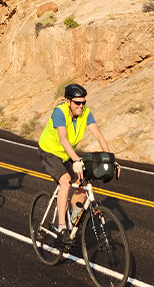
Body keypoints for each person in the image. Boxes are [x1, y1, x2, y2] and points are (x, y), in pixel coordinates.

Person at [38, 82, 112, 245]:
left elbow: (98, 135)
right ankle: (61, 227)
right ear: (68, 101)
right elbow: (63, 139)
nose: (81, 106)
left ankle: (71, 219)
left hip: (66, 154)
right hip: (50, 151)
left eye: (83, 102)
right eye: (77, 102)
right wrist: (77, 160)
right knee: (65, 180)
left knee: (83, 183)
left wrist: (110, 159)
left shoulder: (86, 113)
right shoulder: (60, 112)